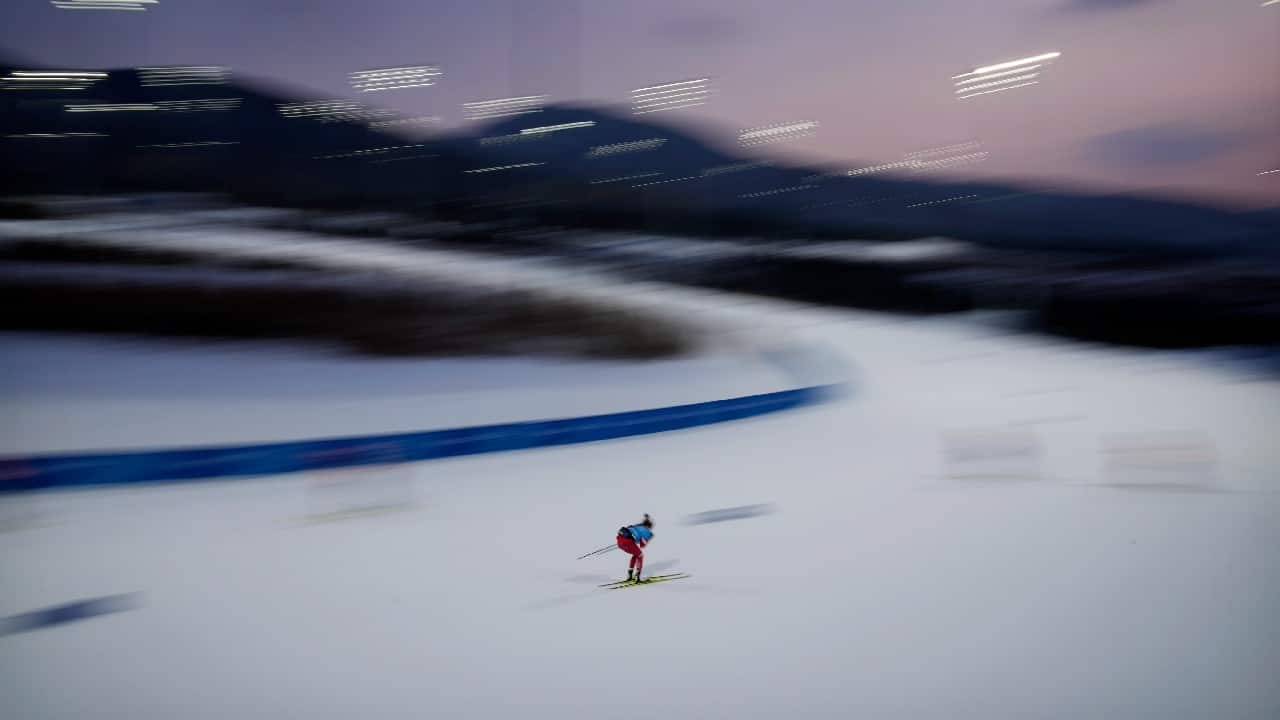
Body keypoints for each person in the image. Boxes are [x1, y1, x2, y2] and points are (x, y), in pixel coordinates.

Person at [616, 513, 654, 582]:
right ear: (649, 526)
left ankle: (629, 575)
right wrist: (649, 537)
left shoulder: (636, 526)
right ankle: (637, 576)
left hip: (619, 541)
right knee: (640, 555)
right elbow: (642, 545)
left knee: (636, 554)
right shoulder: (647, 532)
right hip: (628, 543)